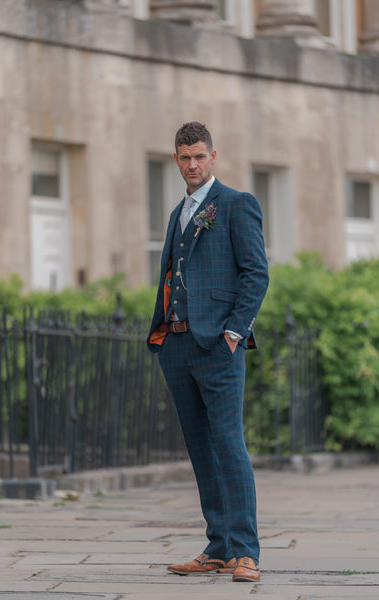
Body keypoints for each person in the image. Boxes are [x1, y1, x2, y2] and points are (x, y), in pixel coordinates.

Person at [147, 121, 269, 583]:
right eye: (184, 157)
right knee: (200, 449)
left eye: (199, 156)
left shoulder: (237, 204)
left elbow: (256, 273)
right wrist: (162, 335)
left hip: (219, 346)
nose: (192, 164)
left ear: (212, 156)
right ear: (176, 159)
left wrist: (235, 333)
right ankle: (218, 546)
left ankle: (246, 551)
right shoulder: (178, 212)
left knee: (228, 445)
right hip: (176, 344)